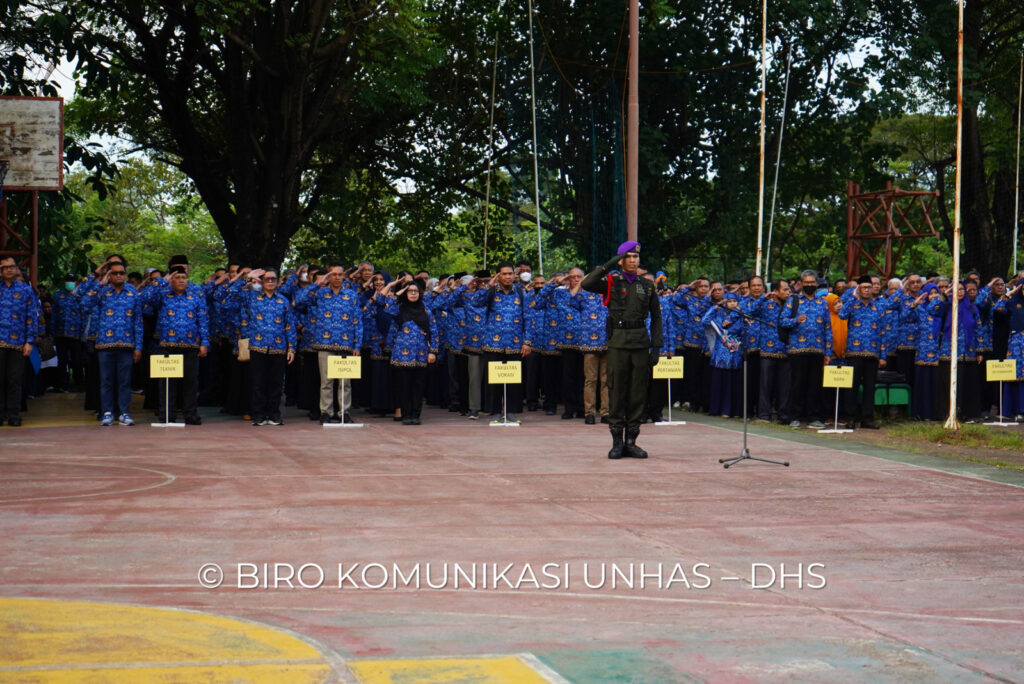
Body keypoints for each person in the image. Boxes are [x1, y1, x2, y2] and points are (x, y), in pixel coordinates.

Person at [581, 241, 664, 459]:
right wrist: (609, 264)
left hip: (640, 343)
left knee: (638, 393)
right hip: (618, 343)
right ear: (621, 260)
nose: (633, 260)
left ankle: (631, 441)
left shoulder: (646, 286)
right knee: (616, 391)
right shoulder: (611, 281)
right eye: (628, 257)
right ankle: (617, 441)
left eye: (636, 257)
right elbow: (587, 283)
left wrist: (656, 347)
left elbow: (656, 318)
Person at [293, 262, 363, 424]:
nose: (337, 277)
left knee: (344, 382)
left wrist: (357, 345)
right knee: (326, 381)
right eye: (333, 274)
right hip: (324, 343)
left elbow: (357, 321)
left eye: (339, 274)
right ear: (328, 276)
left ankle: (344, 411)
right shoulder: (320, 294)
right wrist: (317, 283)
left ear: (343, 276)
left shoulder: (351, 295)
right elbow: (298, 300)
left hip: (346, 343)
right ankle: (326, 411)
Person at [140, 265, 210, 424]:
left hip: (190, 346)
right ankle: (167, 415)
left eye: (183, 278)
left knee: (190, 383)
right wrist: (162, 281)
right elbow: (144, 299)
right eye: (177, 278)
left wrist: (204, 342)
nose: (180, 280)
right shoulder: (163, 296)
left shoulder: (195, 297)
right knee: (167, 383)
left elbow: (203, 321)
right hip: (167, 345)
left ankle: (190, 415)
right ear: (171, 280)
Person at [79, 260, 143, 426]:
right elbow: (85, 304)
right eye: (114, 273)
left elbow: (138, 321)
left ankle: (124, 412)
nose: (119, 275)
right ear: (110, 274)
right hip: (105, 344)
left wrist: (139, 347)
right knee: (106, 380)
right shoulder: (102, 291)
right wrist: (101, 282)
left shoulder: (133, 292)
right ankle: (107, 412)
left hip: (127, 344)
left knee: (124, 381)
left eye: (121, 273)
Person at [233, 268, 297, 426]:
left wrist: (292, 348)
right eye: (266, 279)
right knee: (258, 382)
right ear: (262, 281)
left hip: (278, 347)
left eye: (272, 279)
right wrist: (248, 278)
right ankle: (259, 414)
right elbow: (229, 295)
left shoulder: (283, 301)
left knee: (276, 383)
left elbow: (290, 326)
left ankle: (274, 414)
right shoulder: (252, 298)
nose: (269, 282)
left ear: (278, 281)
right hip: (258, 347)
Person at [376, 278, 439, 424]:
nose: (413, 294)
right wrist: (395, 289)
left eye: (415, 291)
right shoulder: (398, 308)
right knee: (403, 386)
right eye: (410, 291)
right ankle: (406, 415)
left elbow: (434, 331)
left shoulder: (425, 310)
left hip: (421, 353)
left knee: (418, 387)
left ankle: (415, 415)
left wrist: (433, 352)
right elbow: (380, 300)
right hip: (402, 354)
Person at [779, 269, 832, 429]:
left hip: (817, 350)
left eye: (812, 283)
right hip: (797, 349)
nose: (809, 285)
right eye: (806, 282)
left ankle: (813, 417)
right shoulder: (793, 301)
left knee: (814, 385)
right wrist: (796, 320)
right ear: (801, 284)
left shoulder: (822, 302)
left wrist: (828, 352)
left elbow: (828, 328)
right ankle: (794, 416)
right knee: (797, 384)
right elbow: (783, 321)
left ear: (816, 284)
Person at [0, 257, 39, 426]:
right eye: (5, 267)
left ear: (17, 269)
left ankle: (13, 413)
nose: (9, 270)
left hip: (18, 343)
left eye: (12, 267)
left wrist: (29, 341)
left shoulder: (25, 290)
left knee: (15, 379)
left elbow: (32, 317)